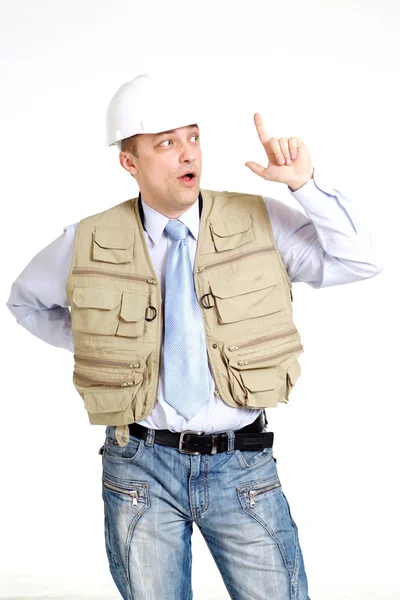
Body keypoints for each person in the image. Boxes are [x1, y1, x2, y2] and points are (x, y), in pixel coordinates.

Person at [6, 73, 382, 600]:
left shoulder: (261, 221)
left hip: (242, 466)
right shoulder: (88, 240)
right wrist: (113, 348)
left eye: (193, 137)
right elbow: (24, 301)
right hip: (139, 467)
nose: (188, 154)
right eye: (166, 143)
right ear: (129, 162)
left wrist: (305, 185)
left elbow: (361, 261)